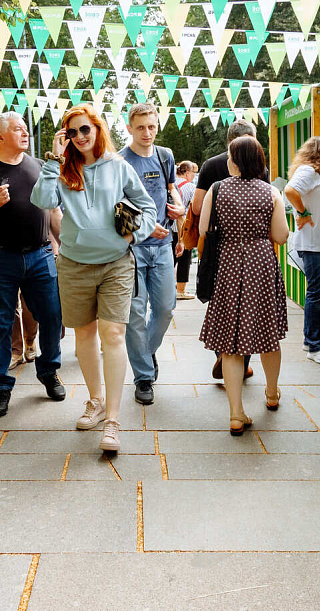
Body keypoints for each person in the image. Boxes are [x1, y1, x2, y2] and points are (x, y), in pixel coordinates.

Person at [32, 105, 156, 452]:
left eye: (85, 129)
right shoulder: (62, 169)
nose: (80, 137)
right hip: (74, 263)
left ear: (97, 129)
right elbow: (40, 199)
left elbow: (147, 208)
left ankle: (113, 420)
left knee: (113, 334)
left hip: (116, 262)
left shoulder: (118, 167)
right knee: (84, 335)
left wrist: (133, 236)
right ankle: (96, 400)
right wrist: (53, 160)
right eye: (72, 133)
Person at [0, 111, 65, 417]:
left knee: (52, 317)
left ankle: (48, 371)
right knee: (0, 325)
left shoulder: (40, 167)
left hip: (41, 254)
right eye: (17, 129)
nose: (25, 133)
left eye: (25, 128)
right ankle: (0, 388)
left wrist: (65, 245)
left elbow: (53, 212)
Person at [198, 136, 290, 435]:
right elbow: (281, 235)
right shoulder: (271, 191)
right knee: (267, 333)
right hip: (261, 265)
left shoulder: (217, 188)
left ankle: (236, 414)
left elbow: (203, 228)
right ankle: (272, 394)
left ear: (235, 160)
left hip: (228, 264)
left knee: (230, 342)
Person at [120, 102, 185, 405]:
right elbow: (114, 209)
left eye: (152, 126)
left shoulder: (165, 155)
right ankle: (143, 376)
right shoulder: (120, 161)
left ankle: (145, 352)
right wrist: (143, 229)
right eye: (141, 127)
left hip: (163, 248)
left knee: (165, 308)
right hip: (131, 249)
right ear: (129, 127)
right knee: (134, 314)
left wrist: (179, 206)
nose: (147, 133)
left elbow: (171, 188)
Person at [193, 119, 260, 381]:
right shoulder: (258, 165)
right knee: (248, 304)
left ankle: (223, 353)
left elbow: (198, 208)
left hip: (217, 247)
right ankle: (242, 363)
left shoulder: (211, 165)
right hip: (252, 249)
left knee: (220, 303)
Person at [285, 136, 320, 365]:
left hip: (316, 242)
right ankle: (315, 345)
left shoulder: (310, 172)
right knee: (316, 293)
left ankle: (311, 339)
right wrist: (303, 213)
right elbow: (290, 190)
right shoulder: (308, 172)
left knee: (317, 291)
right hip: (313, 243)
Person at [172, 161, 198, 300]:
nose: (193, 176)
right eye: (193, 173)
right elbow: (194, 208)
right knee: (184, 260)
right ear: (187, 172)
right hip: (184, 228)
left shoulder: (170, 185)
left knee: (170, 259)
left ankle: (167, 288)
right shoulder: (191, 187)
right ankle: (180, 290)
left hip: (169, 228)